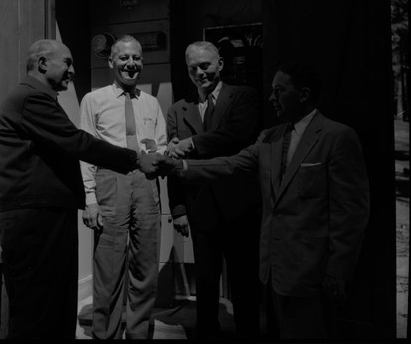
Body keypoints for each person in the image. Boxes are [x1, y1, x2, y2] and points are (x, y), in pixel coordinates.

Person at [158, 62, 370, 339]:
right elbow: (230, 164)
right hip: (274, 271)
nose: (271, 98)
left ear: (303, 94)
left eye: (279, 91)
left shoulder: (337, 137)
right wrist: (179, 167)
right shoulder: (269, 137)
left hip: (313, 271)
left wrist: (338, 270)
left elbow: (351, 212)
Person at [0, 39, 163, 339]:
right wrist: (132, 159)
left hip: (49, 214)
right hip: (36, 219)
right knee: (38, 307)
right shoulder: (32, 98)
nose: (72, 70)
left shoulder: (40, 98)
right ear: (43, 63)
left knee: (55, 302)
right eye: (67, 63)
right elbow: (78, 142)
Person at [165, 41, 262, 340]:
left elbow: (235, 134)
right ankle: (207, 333)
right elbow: (172, 163)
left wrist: (191, 144)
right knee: (206, 282)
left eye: (205, 65)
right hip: (200, 207)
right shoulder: (178, 110)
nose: (199, 73)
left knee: (244, 280)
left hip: (240, 206)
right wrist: (178, 209)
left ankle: (248, 333)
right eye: (193, 68)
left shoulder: (243, 97)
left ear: (220, 63)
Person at [79, 35, 167, 339]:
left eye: (137, 58)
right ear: (111, 62)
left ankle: (140, 333)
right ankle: (106, 335)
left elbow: (162, 145)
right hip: (110, 181)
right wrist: (89, 199)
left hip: (145, 183)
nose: (131, 64)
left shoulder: (151, 103)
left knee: (145, 266)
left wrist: (160, 156)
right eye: (124, 58)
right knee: (108, 269)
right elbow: (85, 152)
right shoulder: (94, 100)